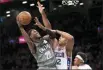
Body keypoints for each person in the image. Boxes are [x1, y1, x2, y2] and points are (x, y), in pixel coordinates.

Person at [37, 1, 74, 70]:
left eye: (62, 37)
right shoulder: (55, 45)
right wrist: (42, 14)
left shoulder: (67, 49)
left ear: (66, 41)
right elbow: (49, 29)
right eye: (60, 37)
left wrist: (57, 31)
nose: (60, 38)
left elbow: (71, 38)